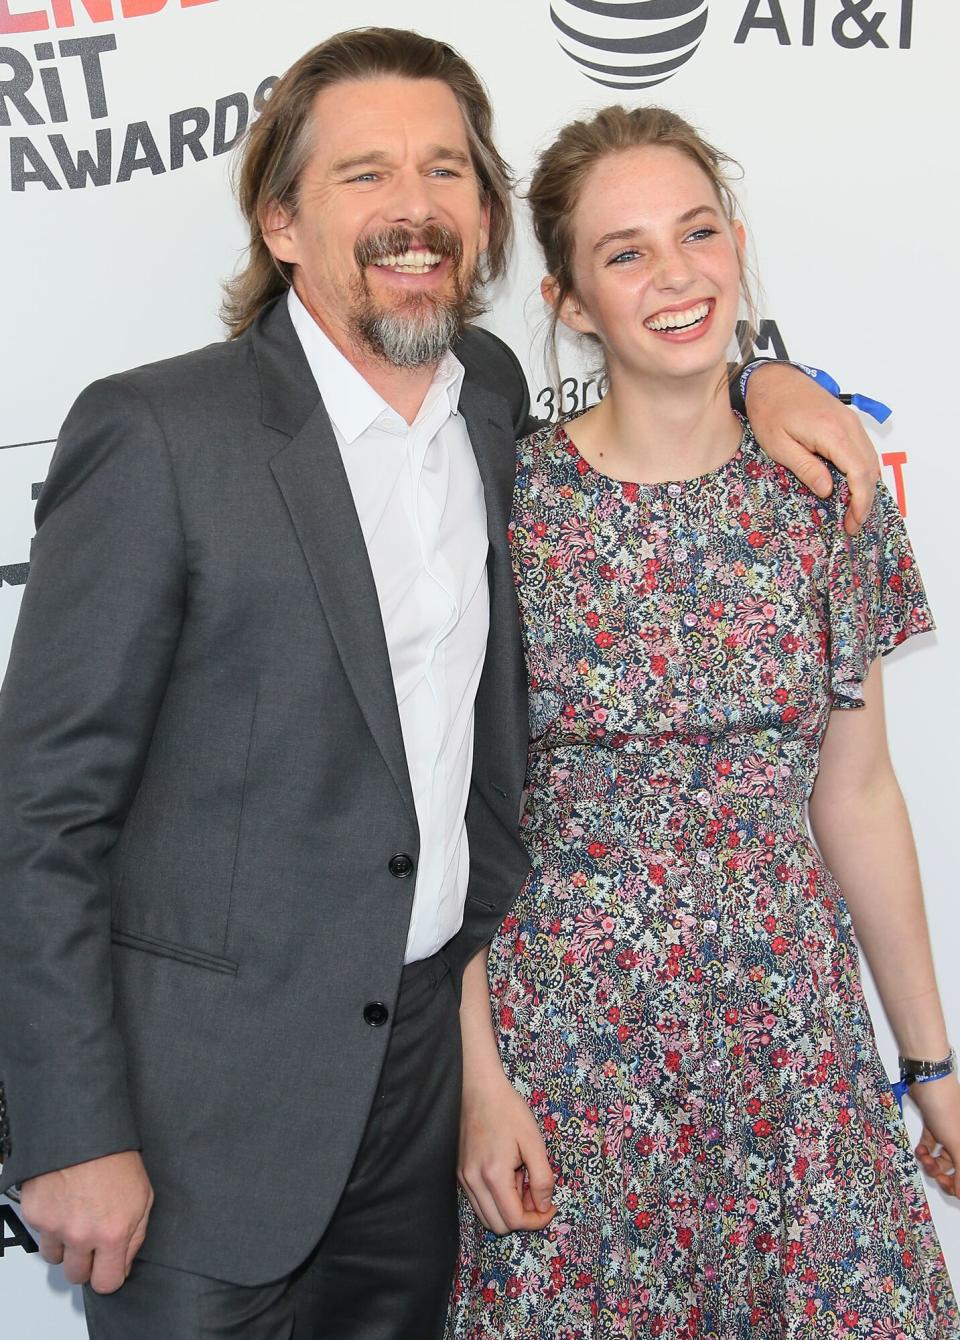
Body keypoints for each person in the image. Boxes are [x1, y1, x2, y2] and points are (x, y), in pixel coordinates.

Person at [0, 29, 880, 1340]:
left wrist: (762, 375)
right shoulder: (161, 433)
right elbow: (39, 819)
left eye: (445, 170)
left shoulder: (490, 401)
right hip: (205, 1117)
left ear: (483, 214)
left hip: (422, 1087)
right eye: (364, 174)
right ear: (282, 222)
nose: (413, 206)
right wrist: (71, 1130)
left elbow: (650, 400)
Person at [448, 105, 960, 1338]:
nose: (676, 275)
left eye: (696, 232)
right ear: (569, 297)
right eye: (626, 253)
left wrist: (933, 1063)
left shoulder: (827, 489)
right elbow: (446, 817)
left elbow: (860, 792)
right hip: (567, 1043)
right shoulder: (507, 507)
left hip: (795, 1035)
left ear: (737, 242)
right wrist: (477, 1084)